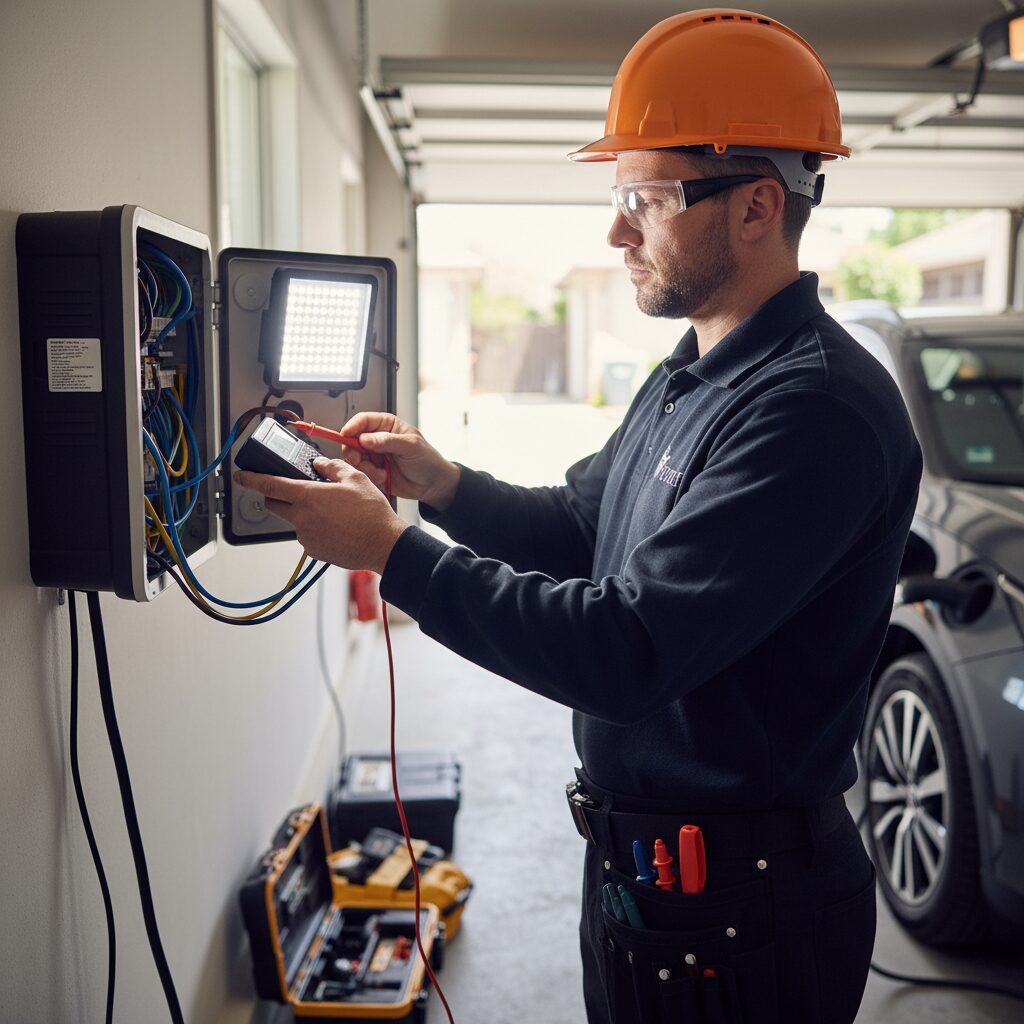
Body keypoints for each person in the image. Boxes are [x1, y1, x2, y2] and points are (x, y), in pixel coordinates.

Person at [235, 9, 923, 1022]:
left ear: (755, 206)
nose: (615, 229)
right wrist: (442, 482)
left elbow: (625, 650)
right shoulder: (696, 371)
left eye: (645, 197)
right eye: (620, 197)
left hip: (743, 909)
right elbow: (579, 527)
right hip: (654, 881)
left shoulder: (812, 411)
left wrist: (396, 553)